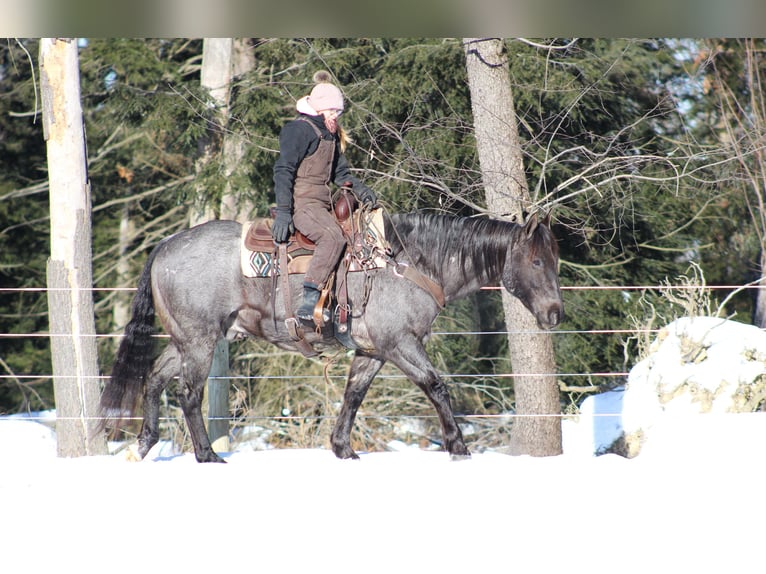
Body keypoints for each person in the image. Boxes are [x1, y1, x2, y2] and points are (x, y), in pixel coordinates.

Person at [272, 71, 377, 323]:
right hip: (303, 205)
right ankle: (309, 298)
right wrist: (284, 211)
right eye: (333, 111)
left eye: (338, 112)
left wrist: (360, 190)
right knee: (332, 238)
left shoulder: (329, 134)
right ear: (319, 109)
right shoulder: (298, 131)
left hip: (322, 204)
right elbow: (283, 170)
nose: (336, 116)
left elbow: (340, 173)